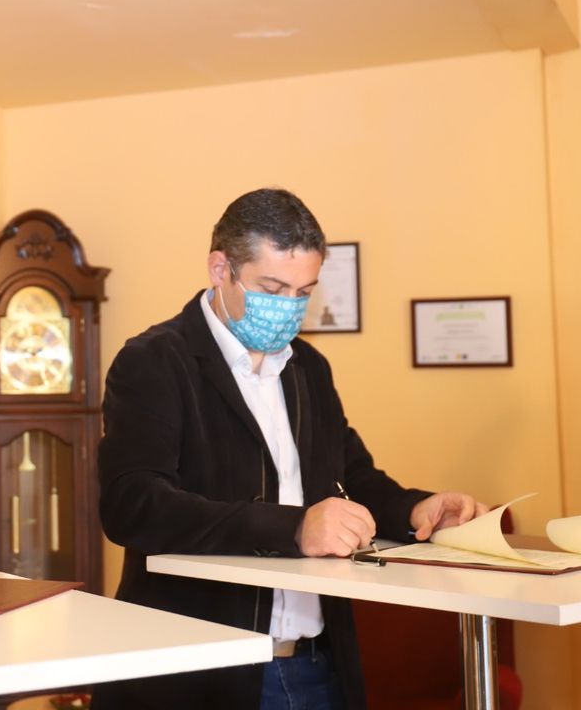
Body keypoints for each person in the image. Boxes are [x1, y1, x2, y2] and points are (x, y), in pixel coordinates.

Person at [91, 188, 486, 709]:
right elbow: (133, 505)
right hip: (203, 670)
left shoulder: (308, 368)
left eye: (303, 292)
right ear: (220, 269)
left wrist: (415, 508)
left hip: (315, 665)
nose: (287, 308)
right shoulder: (155, 361)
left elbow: (352, 477)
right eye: (271, 287)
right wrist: (294, 527)